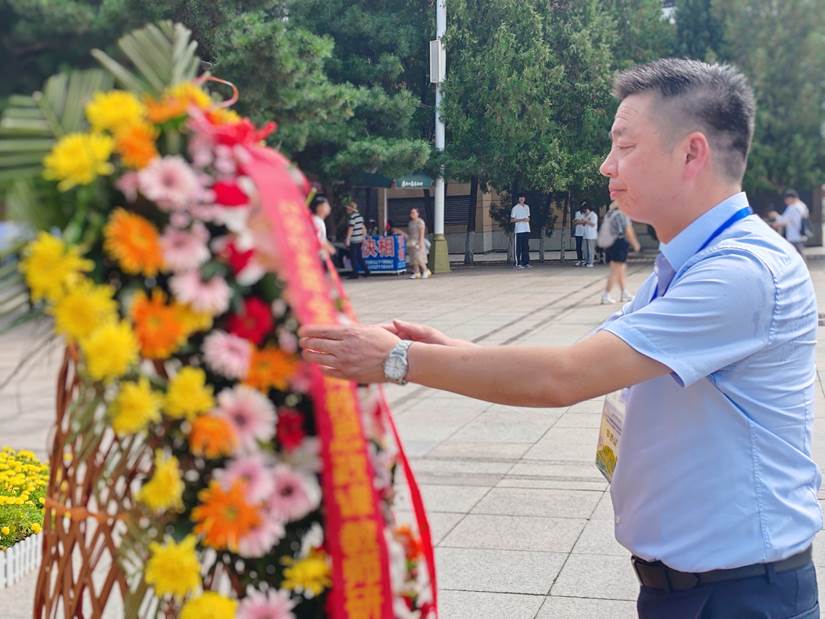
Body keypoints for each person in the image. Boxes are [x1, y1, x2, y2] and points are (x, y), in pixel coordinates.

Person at [301, 58, 820, 619]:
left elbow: (565, 377)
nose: (606, 164)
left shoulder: (741, 272)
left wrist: (401, 360)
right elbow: (585, 360)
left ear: (691, 153)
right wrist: (446, 349)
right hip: (692, 588)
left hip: (741, 596)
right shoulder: (685, 265)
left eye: (625, 146)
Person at [601, 202, 640, 303]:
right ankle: (606, 294)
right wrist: (635, 244)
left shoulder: (610, 214)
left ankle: (624, 293)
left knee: (620, 269)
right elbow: (628, 230)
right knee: (616, 269)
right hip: (619, 242)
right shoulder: (622, 214)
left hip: (610, 243)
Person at [769, 189, 809, 256]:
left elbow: (784, 220)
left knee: (797, 256)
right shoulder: (802, 206)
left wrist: (775, 215)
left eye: (786, 199)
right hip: (801, 234)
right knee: (800, 255)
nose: (785, 201)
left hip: (794, 236)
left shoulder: (792, 207)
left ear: (791, 198)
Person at [345, 200, 369, 279]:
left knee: (353, 257)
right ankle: (366, 271)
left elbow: (350, 229)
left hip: (354, 239)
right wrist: (364, 237)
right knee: (359, 256)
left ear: (350, 209)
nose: (346, 210)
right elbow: (363, 227)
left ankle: (355, 274)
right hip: (360, 239)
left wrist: (347, 239)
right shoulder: (360, 217)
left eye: (347, 208)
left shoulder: (352, 217)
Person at [406, 208, 432, 280]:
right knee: (413, 257)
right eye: (411, 213)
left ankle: (426, 270)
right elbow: (410, 233)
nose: (412, 214)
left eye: (414, 213)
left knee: (419, 257)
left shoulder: (420, 222)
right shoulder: (410, 223)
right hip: (412, 241)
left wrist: (420, 242)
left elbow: (421, 232)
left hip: (419, 241)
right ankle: (417, 272)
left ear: (418, 214)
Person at [510, 194, 531, 269]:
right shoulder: (515, 208)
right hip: (519, 230)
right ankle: (517, 263)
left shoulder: (527, 207)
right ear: (518, 199)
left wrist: (527, 219)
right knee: (518, 247)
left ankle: (526, 263)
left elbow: (528, 217)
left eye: (523, 197)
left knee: (526, 247)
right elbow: (512, 220)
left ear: (525, 198)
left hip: (526, 229)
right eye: (520, 197)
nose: (522, 199)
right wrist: (521, 220)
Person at [579, 202, 598, 268]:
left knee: (590, 249)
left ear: (588, 209)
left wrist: (586, 221)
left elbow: (593, 224)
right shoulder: (584, 215)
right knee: (584, 249)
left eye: (585, 210)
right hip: (585, 234)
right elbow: (583, 223)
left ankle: (591, 262)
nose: (584, 211)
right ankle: (586, 261)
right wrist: (584, 221)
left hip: (592, 235)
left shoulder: (593, 215)